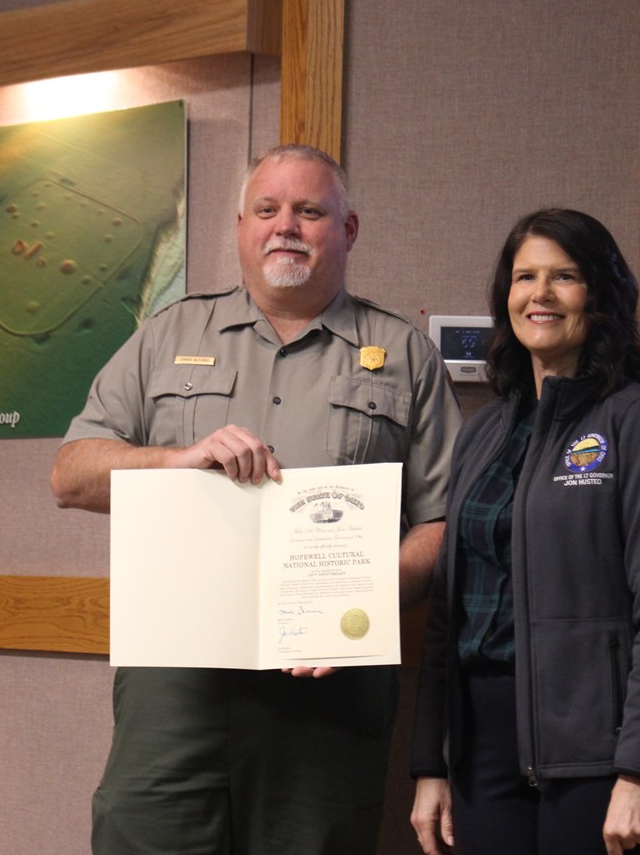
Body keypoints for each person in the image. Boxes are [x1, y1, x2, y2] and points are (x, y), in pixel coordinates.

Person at [51, 143, 463, 854]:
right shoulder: (166, 335)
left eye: (310, 211)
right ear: (240, 225)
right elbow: (71, 474)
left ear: (349, 229)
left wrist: (353, 598)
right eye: (267, 210)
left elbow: (444, 520)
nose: (286, 227)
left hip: (327, 700)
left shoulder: (403, 355)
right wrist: (179, 458)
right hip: (175, 686)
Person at [408, 208, 640, 855]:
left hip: (602, 749)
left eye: (563, 276)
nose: (539, 294)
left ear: (598, 296)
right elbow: (446, 613)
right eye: (524, 277)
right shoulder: (483, 433)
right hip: (484, 746)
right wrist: (431, 761)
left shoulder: (639, 422)